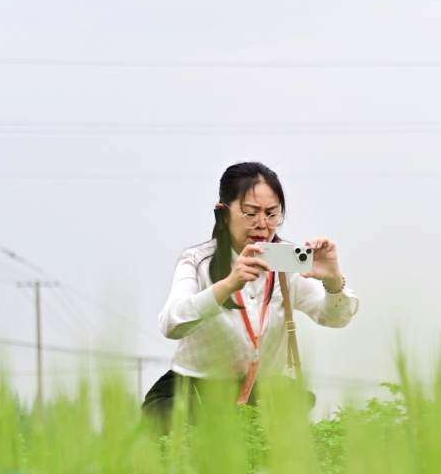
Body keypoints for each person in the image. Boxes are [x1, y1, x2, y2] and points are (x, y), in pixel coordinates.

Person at [142, 162, 358, 423]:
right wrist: (228, 285)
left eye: (272, 214)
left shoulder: (286, 261)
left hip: (262, 393)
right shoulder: (197, 260)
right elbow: (171, 324)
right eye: (250, 213)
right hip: (195, 391)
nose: (262, 224)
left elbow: (334, 318)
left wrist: (333, 280)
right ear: (223, 213)